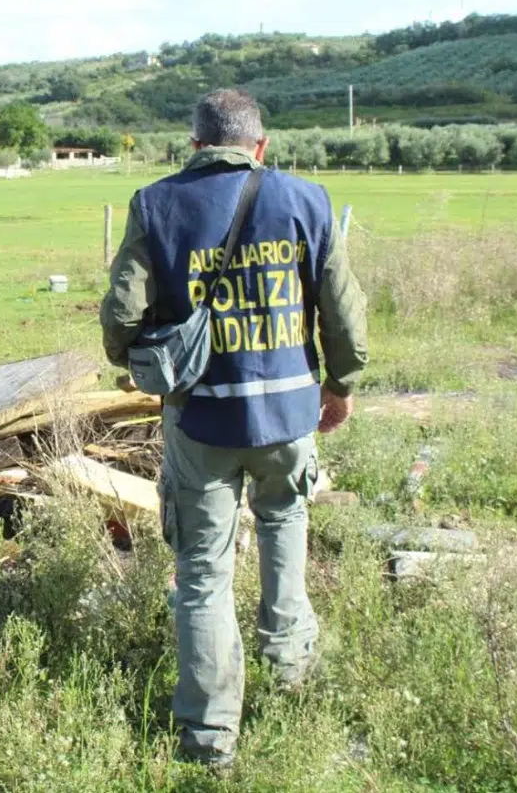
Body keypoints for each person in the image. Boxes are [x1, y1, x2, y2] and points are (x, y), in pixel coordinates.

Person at [99, 88, 368, 768]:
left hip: (202, 419)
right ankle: (288, 674)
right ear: (260, 145)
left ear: (194, 145)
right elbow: (343, 315)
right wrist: (338, 386)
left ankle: (209, 737)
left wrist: (135, 361)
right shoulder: (307, 200)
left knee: (201, 574)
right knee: (284, 524)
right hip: (287, 414)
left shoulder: (157, 205)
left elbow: (121, 315)